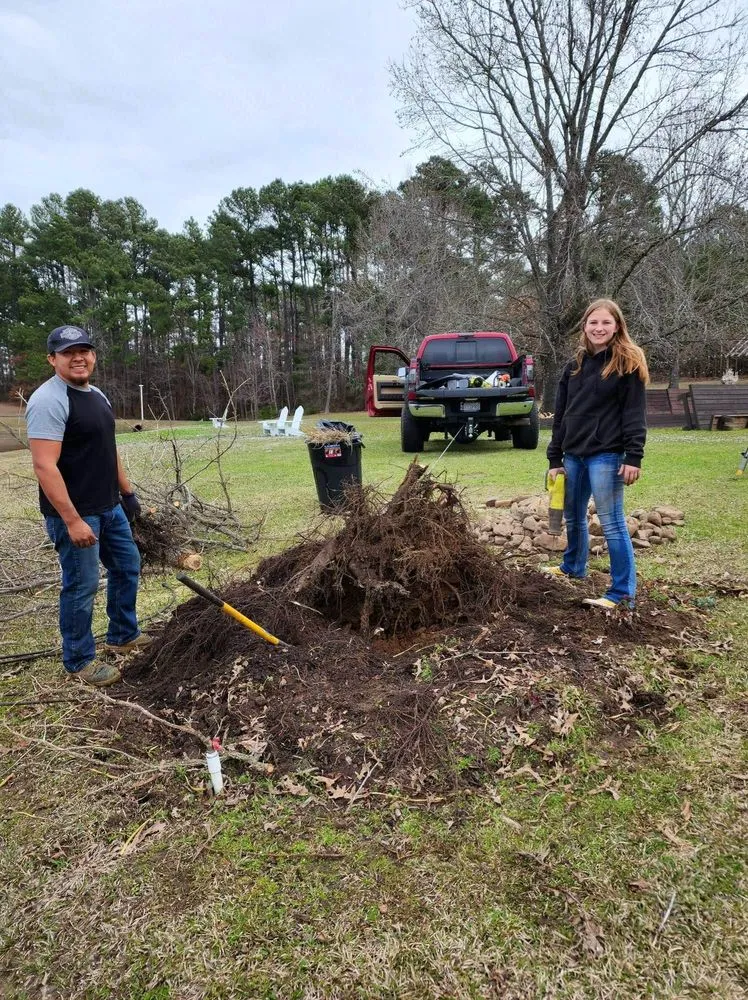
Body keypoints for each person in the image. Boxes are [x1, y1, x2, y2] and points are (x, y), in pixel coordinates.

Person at [25, 325, 150, 686]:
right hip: (77, 514)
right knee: (81, 587)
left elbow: (109, 451)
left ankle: (123, 635)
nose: (78, 357)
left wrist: (127, 494)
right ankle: (79, 660)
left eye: (84, 350)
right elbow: (44, 466)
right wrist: (72, 520)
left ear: (93, 355)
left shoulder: (96, 395)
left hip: (109, 507)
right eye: (68, 352)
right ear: (52, 359)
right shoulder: (49, 400)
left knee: (128, 566)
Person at [544, 299, 649, 609]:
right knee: (573, 516)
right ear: (584, 326)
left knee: (612, 522)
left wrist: (633, 456)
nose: (599, 328)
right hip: (574, 454)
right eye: (593, 323)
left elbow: (634, 413)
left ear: (617, 326)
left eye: (605, 323)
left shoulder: (627, 363)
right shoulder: (573, 366)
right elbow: (561, 415)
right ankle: (573, 567)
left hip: (607, 455)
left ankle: (621, 594)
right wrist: (554, 458)